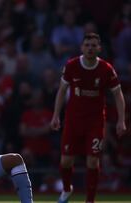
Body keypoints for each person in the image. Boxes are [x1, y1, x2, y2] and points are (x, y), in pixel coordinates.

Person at [50, 33, 126, 203]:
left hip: (95, 122)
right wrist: (56, 115)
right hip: (73, 120)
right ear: (82, 47)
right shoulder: (72, 66)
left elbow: (118, 95)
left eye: (93, 45)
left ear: (99, 48)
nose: (90, 48)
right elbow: (62, 91)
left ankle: (90, 200)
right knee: (66, 160)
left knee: (92, 161)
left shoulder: (106, 69)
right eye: (87, 45)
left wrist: (121, 120)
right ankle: (67, 189)